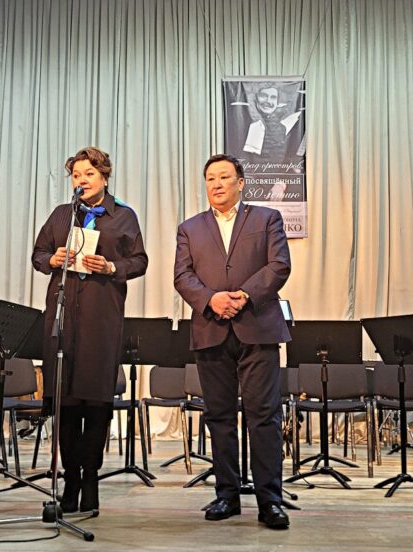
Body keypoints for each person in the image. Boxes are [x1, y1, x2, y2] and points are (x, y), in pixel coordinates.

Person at [174, 153, 291, 529]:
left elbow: (279, 265)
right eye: (210, 178)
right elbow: (182, 276)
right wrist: (211, 299)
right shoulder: (190, 228)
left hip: (257, 328)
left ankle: (270, 500)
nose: (217, 184)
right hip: (211, 330)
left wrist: (244, 295)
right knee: (219, 416)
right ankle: (227, 494)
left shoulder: (266, 218)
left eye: (224, 177)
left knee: (264, 416)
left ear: (241, 182)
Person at [32, 146, 148, 513]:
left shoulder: (123, 216)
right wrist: (52, 259)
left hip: (102, 319)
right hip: (64, 319)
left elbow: (140, 261)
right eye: (76, 175)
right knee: (66, 403)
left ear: (104, 177)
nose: (81, 180)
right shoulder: (61, 215)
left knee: (96, 403)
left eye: (89, 174)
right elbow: (38, 255)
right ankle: (70, 482)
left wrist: (112, 267)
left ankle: (91, 480)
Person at [242, 84, 304, 166]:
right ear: (255, 99)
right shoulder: (243, 123)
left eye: (273, 97)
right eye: (263, 96)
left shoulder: (282, 127)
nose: (268, 101)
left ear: (277, 102)